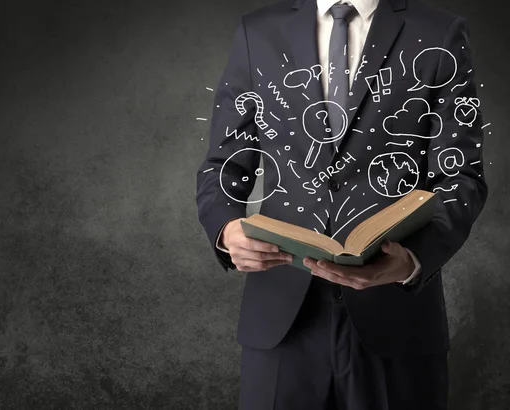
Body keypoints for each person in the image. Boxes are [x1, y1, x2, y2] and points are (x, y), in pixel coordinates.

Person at [196, 0, 488, 408]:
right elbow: (221, 167)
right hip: (281, 320)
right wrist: (227, 231)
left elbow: (461, 178)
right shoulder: (256, 33)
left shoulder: (440, 33)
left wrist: (413, 260)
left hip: (398, 319)